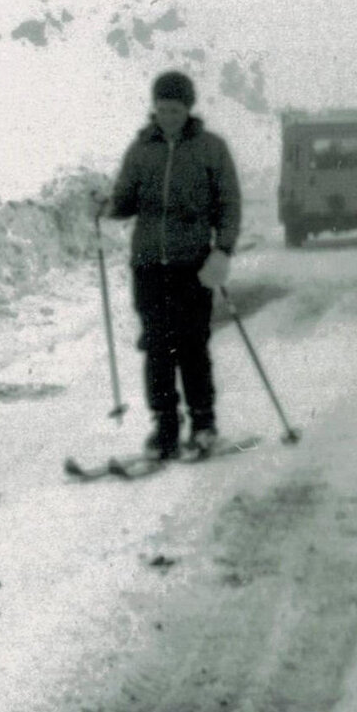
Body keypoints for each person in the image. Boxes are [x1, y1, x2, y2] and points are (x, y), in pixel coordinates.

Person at [98, 69, 241, 459]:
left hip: (192, 264)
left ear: (188, 109)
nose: (168, 117)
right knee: (157, 347)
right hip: (148, 264)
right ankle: (165, 427)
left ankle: (203, 425)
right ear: (155, 108)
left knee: (192, 345)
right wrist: (106, 206)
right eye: (162, 109)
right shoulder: (141, 149)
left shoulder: (211, 148)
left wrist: (222, 251)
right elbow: (125, 200)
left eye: (175, 110)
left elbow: (229, 204)